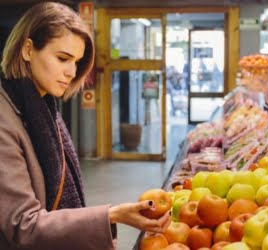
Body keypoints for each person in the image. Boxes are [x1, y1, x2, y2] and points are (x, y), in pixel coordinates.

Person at [0, 2, 170, 250]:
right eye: (62, 58)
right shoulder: (7, 118)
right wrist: (111, 215)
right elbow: (24, 225)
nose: (71, 72)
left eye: (77, 62)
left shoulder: (44, 108)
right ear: (28, 50)